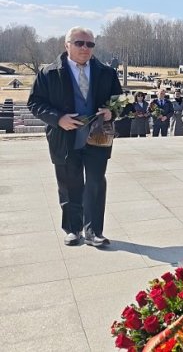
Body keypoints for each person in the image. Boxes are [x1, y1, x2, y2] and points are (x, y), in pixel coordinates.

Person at [28, 26, 122, 247]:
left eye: (90, 44)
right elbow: (35, 103)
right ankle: (73, 229)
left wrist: (112, 112)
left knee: (96, 183)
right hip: (64, 138)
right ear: (66, 45)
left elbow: (120, 101)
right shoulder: (49, 73)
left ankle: (93, 231)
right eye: (79, 43)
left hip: (98, 137)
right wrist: (58, 118)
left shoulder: (106, 72)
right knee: (70, 184)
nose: (85, 48)